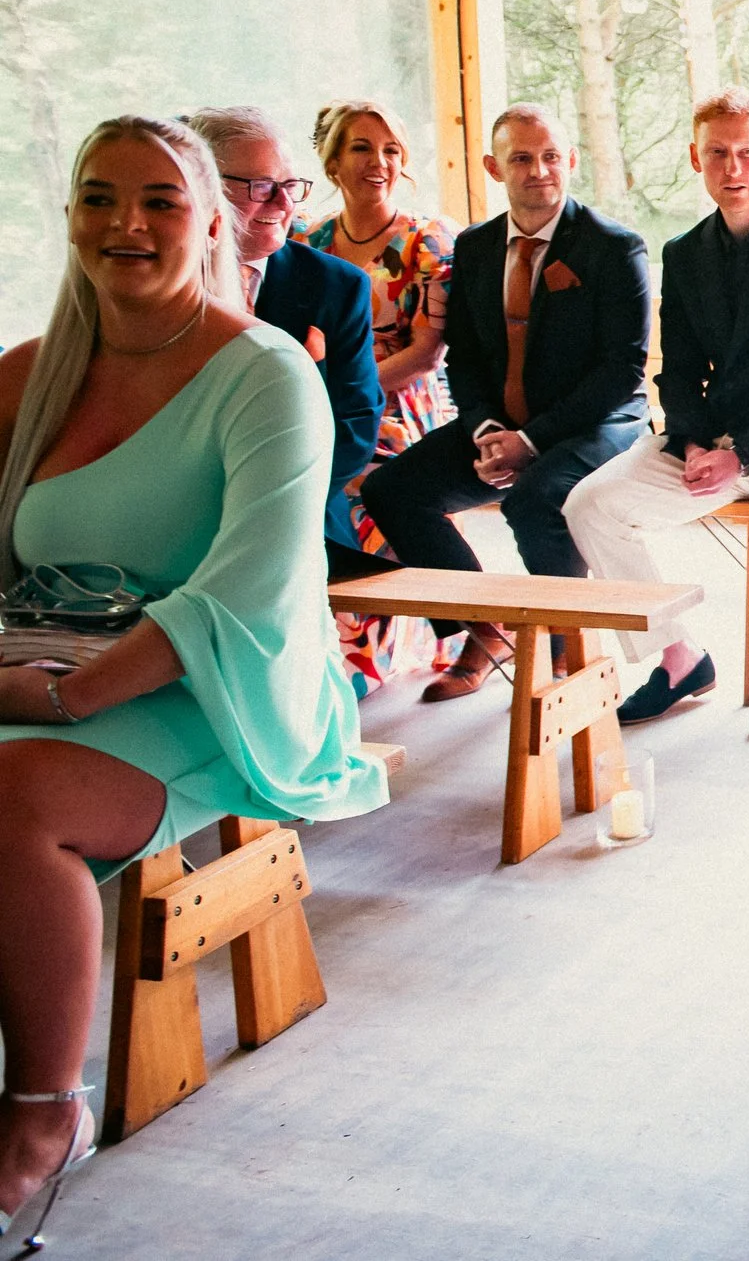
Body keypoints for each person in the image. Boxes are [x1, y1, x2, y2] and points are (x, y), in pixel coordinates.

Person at [0, 118, 388, 1249]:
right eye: (99, 196)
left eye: (161, 200)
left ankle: (40, 1113)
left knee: (14, 802)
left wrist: (66, 700)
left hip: (217, 682)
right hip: (49, 660)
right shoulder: (30, 373)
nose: (126, 223)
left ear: (212, 222)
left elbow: (252, 585)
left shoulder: (263, 375)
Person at [565, 87, 749, 736]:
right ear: (696, 159)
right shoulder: (683, 253)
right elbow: (676, 369)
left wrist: (744, 450)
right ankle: (679, 656)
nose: (733, 169)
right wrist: (698, 441)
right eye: (718, 154)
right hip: (710, 433)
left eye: (747, 154)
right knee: (588, 505)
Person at [359, 105, 650, 701]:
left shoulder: (613, 247)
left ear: (569, 161)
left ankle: (569, 650)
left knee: (536, 496)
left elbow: (621, 371)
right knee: (393, 489)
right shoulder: (475, 247)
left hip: (599, 423)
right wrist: (490, 430)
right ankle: (485, 630)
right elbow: (463, 358)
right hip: (503, 424)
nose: (539, 170)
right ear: (495, 167)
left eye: (550, 157)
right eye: (521, 158)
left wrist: (531, 441)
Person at [296, 100, 461, 692]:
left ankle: (365, 658)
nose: (379, 162)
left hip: (399, 402)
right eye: (362, 148)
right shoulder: (305, 240)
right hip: (319, 398)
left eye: (391, 150)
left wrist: (347, 391)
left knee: (360, 485)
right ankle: (309, 647)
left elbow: (426, 354)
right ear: (333, 162)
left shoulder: (427, 241)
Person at [186, 106, 382, 551]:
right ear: (202, 188)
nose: (283, 203)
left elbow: (356, 422)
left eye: (291, 186)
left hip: (300, 507)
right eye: (261, 186)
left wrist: (272, 499)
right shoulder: (163, 281)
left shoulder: (336, 286)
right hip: (179, 505)